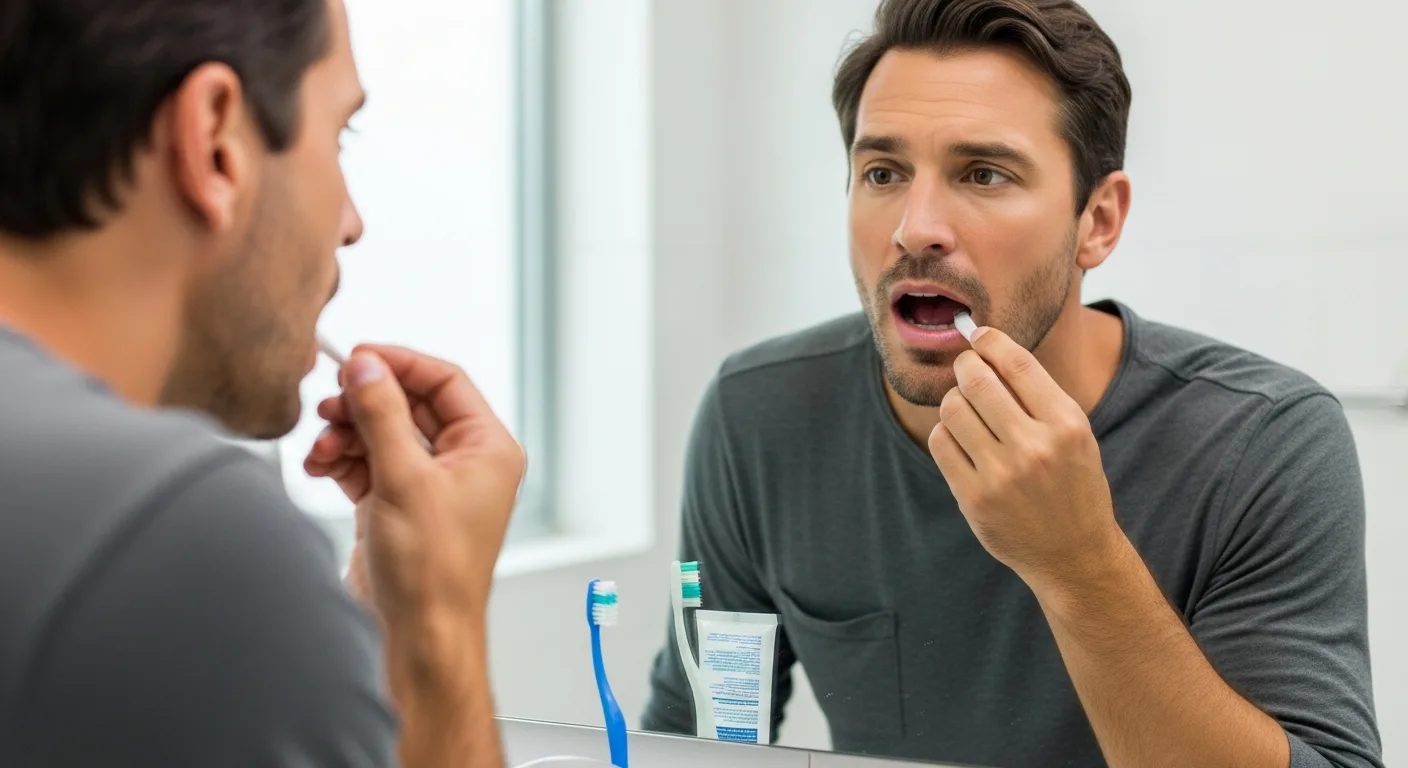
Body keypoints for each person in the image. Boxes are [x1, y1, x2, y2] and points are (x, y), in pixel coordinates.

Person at [641, 1, 1383, 766]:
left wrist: (1079, 564)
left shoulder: (1262, 442)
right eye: (883, 172)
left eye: (984, 173)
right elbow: (692, 728)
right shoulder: (761, 415)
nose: (915, 226)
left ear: (1097, 220)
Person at [0, 1, 523, 766]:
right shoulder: (183, 539)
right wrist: (436, 631)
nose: (351, 222)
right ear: (215, 140)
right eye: (340, 134)